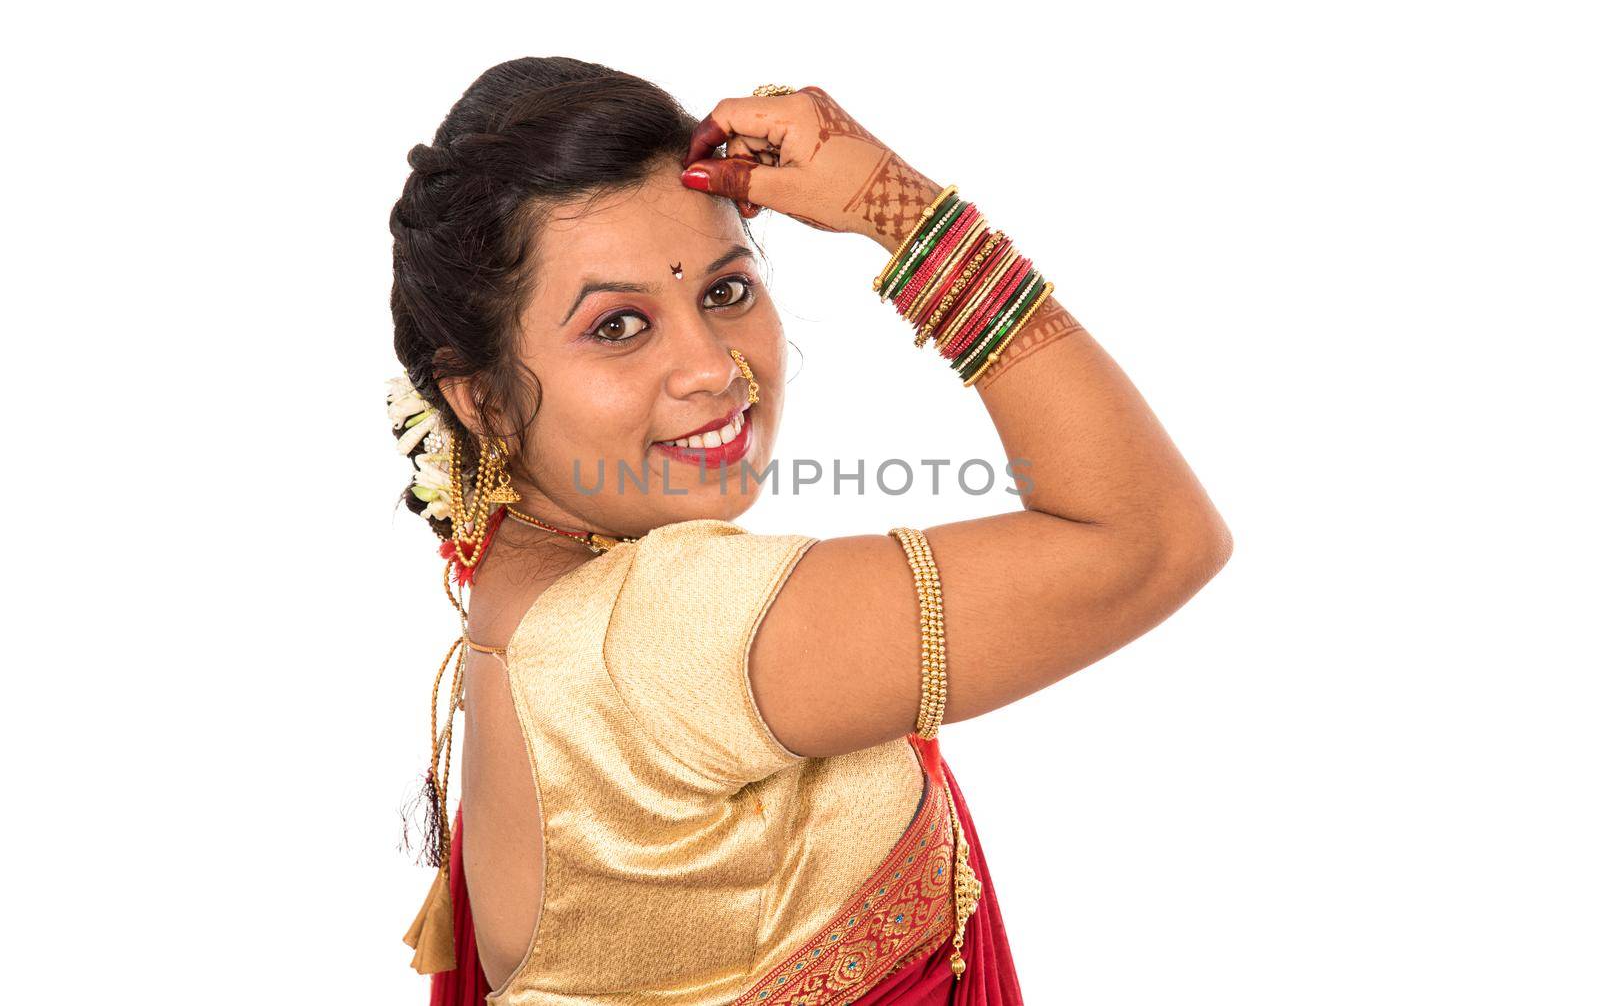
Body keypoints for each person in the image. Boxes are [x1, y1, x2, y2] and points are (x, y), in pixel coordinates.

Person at [386, 58, 1232, 1005]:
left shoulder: (522, 608)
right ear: (481, 402)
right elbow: (1154, 538)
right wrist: (899, 208)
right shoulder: (669, 629)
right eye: (619, 326)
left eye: (724, 292)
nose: (710, 368)